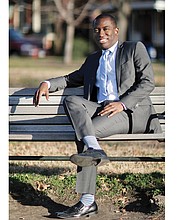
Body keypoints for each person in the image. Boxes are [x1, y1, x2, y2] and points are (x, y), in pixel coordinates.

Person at [33, 13, 162, 219]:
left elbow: (147, 82)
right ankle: (94, 149)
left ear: (116, 31)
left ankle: (87, 201)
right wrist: (47, 83)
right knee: (72, 102)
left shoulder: (133, 49)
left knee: (84, 133)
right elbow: (71, 79)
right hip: (101, 109)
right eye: (97, 30)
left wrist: (122, 103)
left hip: (130, 111)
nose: (100, 33)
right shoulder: (93, 59)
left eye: (105, 29)